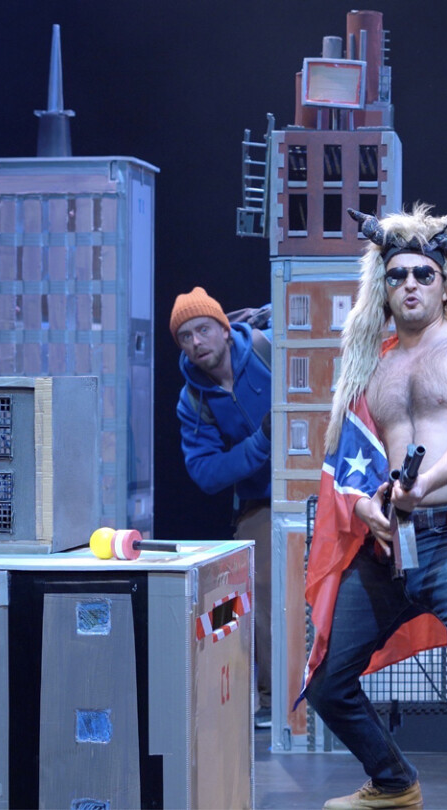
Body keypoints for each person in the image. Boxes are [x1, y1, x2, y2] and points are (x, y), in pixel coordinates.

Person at [304, 206, 447, 810]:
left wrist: (422, 484)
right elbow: (352, 464)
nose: (410, 284)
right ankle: (393, 783)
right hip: (396, 542)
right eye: (397, 275)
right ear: (382, 287)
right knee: (326, 682)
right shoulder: (372, 369)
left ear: (445, 283)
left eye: (423, 274)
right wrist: (368, 508)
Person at [171, 286, 275, 729]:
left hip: (320, 484)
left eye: (204, 329)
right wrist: (261, 443)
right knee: (258, 585)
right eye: (186, 336)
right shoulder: (192, 400)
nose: (197, 342)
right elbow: (206, 473)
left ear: (224, 328)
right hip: (261, 499)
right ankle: (275, 698)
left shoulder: (269, 350)